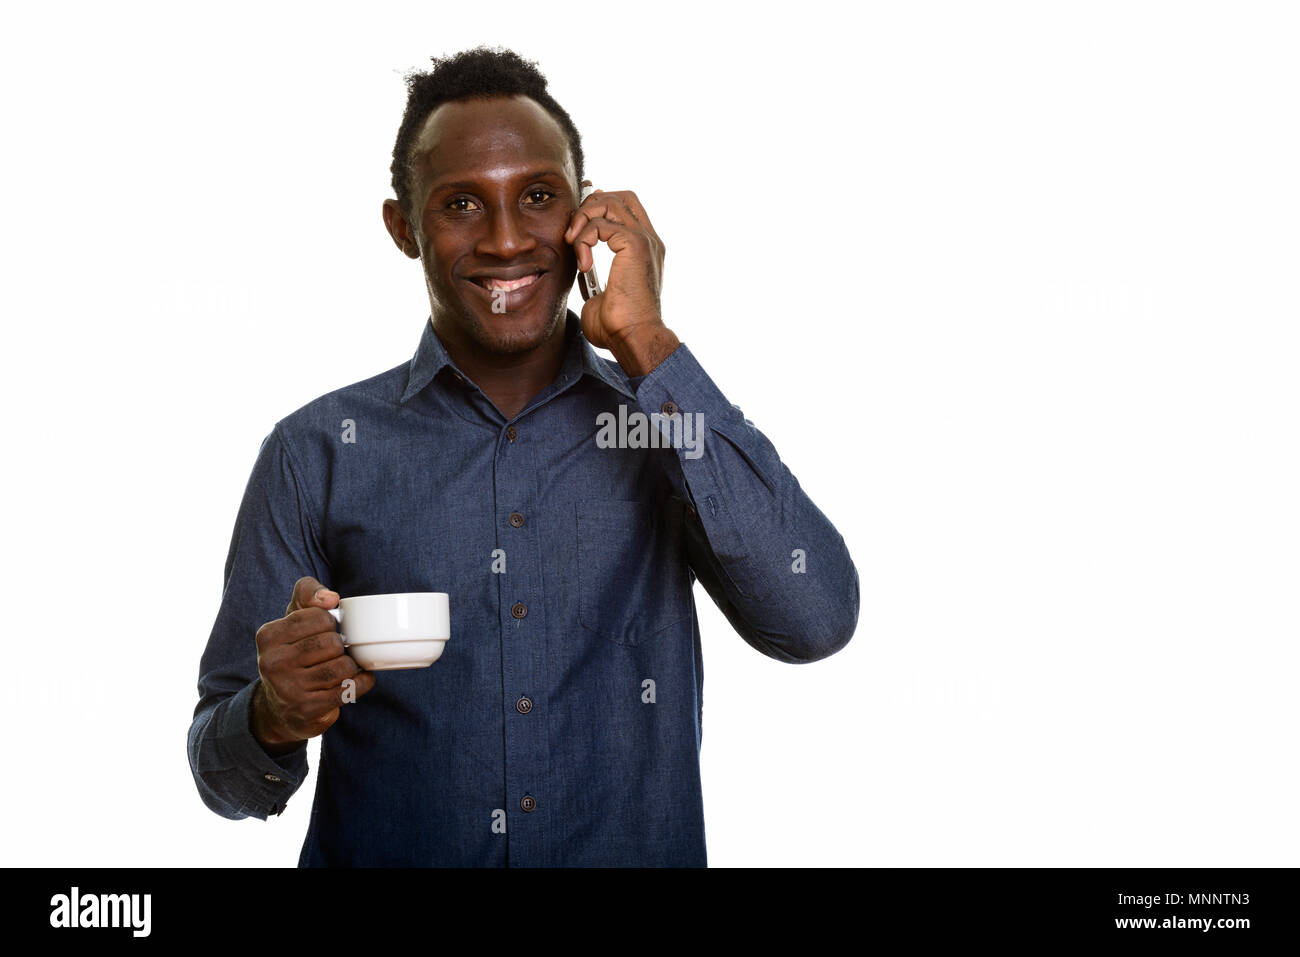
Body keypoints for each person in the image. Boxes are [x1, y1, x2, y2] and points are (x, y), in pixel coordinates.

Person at [188, 46, 859, 866]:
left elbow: (815, 617)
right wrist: (269, 714)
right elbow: (224, 781)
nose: (507, 240)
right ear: (404, 228)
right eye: (462, 203)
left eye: (538, 197)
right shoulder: (314, 452)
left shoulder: (661, 425)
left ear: (583, 215)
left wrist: (648, 344)